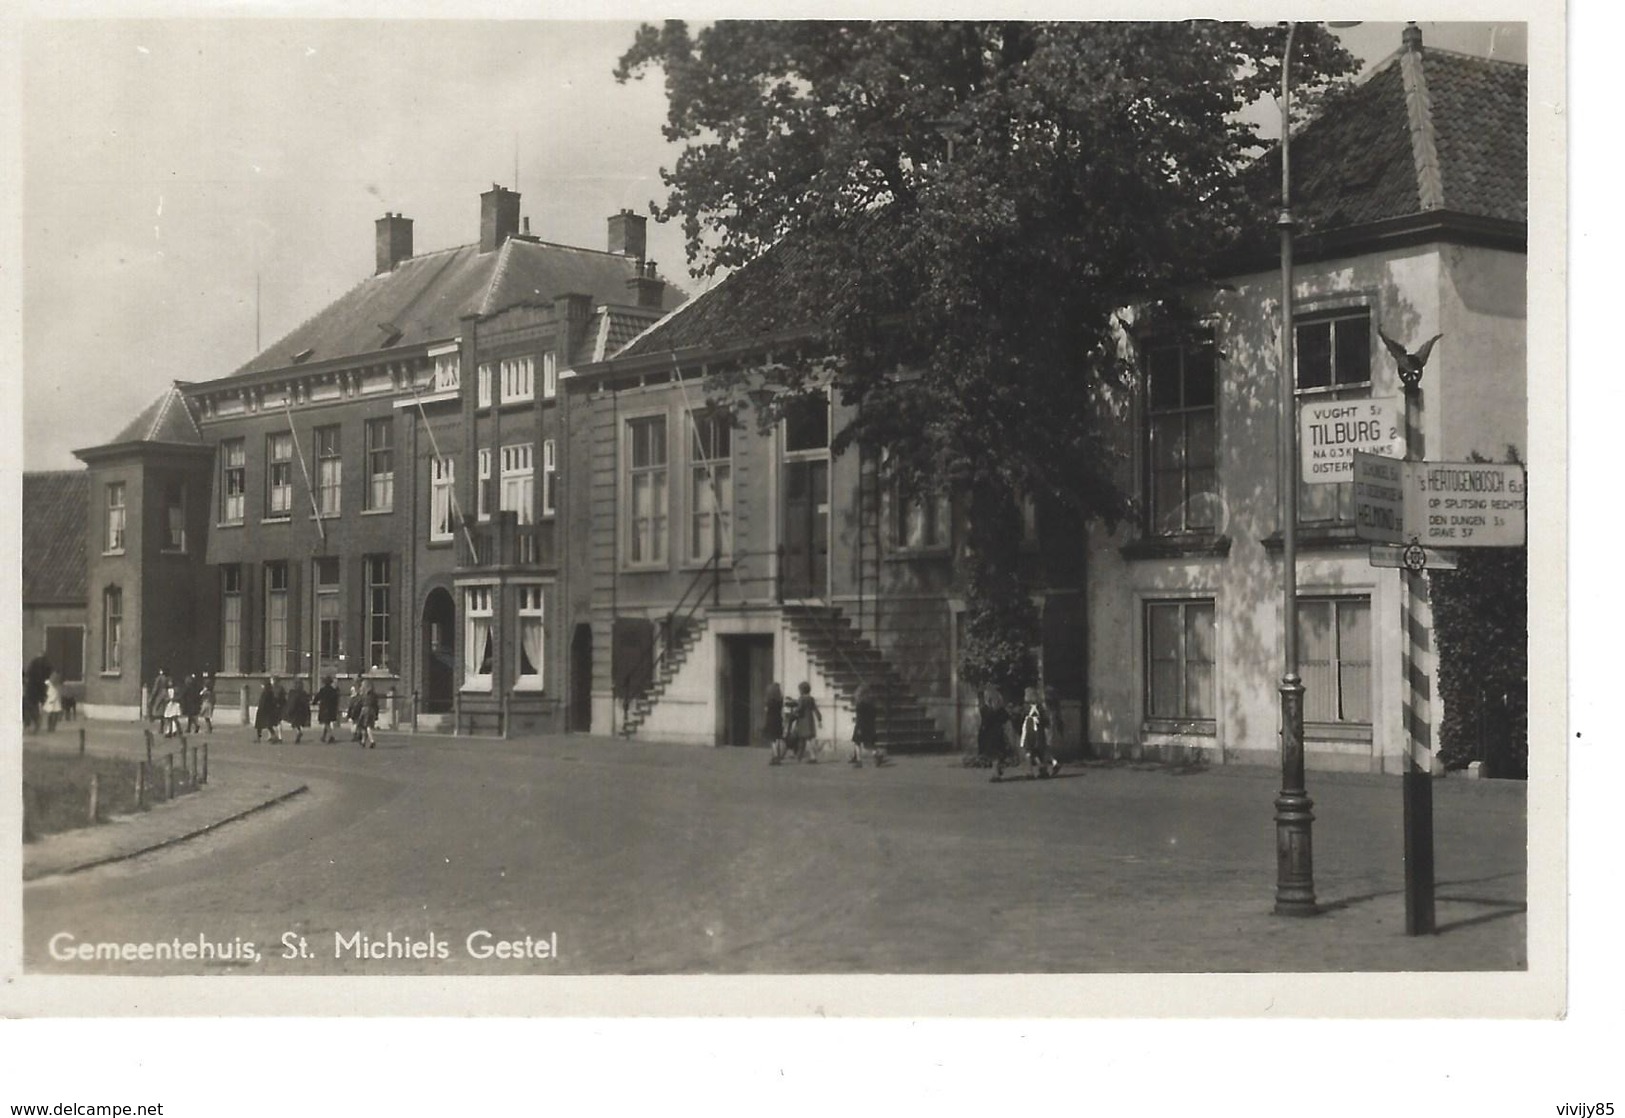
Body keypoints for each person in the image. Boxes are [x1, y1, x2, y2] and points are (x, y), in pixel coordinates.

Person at [849, 683, 887, 767]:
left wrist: (858, 727)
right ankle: (876, 754)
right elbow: (874, 715)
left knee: (857, 742)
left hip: (861, 726)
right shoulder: (872, 704)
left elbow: (859, 717)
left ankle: (859, 761)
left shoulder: (860, 704)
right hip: (870, 726)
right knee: (869, 744)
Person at [976, 685, 1013, 770]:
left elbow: (985, 722)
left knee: (994, 754)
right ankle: (998, 770)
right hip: (997, 733)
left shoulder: (986, 710)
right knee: (998, 753)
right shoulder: (998, 710)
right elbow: (1006, 718)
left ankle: (996, 772)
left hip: (991, 734)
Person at [790, 681, 822, 763]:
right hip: (810, 720)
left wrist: (793, 714)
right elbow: (815, 709)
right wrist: (819, 719)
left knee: (801, 739)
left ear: (801, 690)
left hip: (802, 721)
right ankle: (813, 757)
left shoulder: (801, 699)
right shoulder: (811, 699)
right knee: (811, 739)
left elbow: (799, 709)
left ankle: (799, 756)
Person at [255, 677, 284, 743]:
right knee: (268, 726)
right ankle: (273, 736)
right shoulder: (270, 692)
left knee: (261, 726)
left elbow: (263, 702)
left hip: (263, 711)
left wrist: (259, 707)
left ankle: (261, 738)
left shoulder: (265, 692)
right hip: (268, 711)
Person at [764, 682, 787, 765]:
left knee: (772, 739)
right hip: (778, 719)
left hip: (771, 720)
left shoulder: (769, 701)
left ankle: (775, 756)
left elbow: (766, 710)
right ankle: (777, 756)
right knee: (777, 738)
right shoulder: (780, 700)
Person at [285, 677, 312, 743]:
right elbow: (306, 702)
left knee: (294, 724)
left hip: (295, 711)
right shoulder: (303, 693)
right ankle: (298, 733)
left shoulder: (293, 692)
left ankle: (298, 732)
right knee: (297, 724)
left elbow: (291, 702)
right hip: (302, 711)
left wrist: (289, 709)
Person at [315, 675, 341, 743]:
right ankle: (323, 736)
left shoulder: (322, 690)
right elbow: (336, 700)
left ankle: (331, 736)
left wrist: (313, 702)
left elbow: (317, 697)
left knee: (326, 723)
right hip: (331, 709)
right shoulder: (333, 691)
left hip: (324, 708)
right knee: (327, 722)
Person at [360, 682, 380, 749]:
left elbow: (361, 703)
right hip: (372, 710)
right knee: (366, 726)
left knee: (366, 726)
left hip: (365, 710)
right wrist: (376, 714)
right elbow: (376, 705)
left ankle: (372, 741)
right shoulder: (374, 695)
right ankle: (363, 741)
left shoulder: (364, 694)